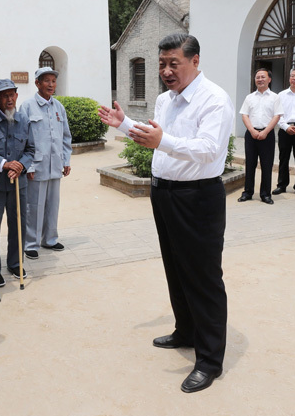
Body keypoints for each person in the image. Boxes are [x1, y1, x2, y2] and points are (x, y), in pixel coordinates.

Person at [98, 33, 234, 394]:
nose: (166, 70)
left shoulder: (214, 100)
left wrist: (164, 142)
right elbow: (156, 135)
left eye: (174, 63)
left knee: (203, 277)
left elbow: (208, 149)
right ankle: (186, 331)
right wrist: (124, 124)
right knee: (175, 267)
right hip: (165, 194)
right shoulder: (164, 100)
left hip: (198, 198)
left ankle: (209, 361)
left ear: (195, 60)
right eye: (162, 63)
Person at [0, 79, 35, 283]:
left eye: (12, 94)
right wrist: (4, 163)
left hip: (18, 184)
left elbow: (30, 150)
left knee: (19, 224)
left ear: (17, 96)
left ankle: (16, 263)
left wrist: (20, 165)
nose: (9, 99)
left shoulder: (24, 120)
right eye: (4, 95)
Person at [18, 67, 72, 259]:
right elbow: (21, 138)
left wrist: (66, 159)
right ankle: (30, 243)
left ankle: (49, 239)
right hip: (36, 166)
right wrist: (28, 165)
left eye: (53, 81)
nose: (51, 84)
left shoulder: (59, 107)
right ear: (37, 83)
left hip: (55, 164)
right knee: (34, 205)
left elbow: (66, 136)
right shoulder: (27, 106)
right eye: (46, 81)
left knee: (52, 204)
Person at [238, 68, 282, 204]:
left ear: (269, 79)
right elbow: (244, 114)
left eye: (263, 77)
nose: (260, 79)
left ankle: (265, 194)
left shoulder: (275, 97)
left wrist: (265, 132)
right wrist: (251, 130)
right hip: (251, 134)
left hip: (267, 135)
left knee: (267, 165)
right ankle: (248, 192)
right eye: (257, 77)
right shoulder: (249, 97)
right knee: (250, 164)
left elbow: (277, 116)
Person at [272, 68, 295, 197]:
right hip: (284, 130)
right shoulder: (281, 95)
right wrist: (286, 126)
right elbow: (277, 113)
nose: (294, 78)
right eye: (292, 76)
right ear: (289, 78)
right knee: (283, 158)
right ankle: (281, 185)